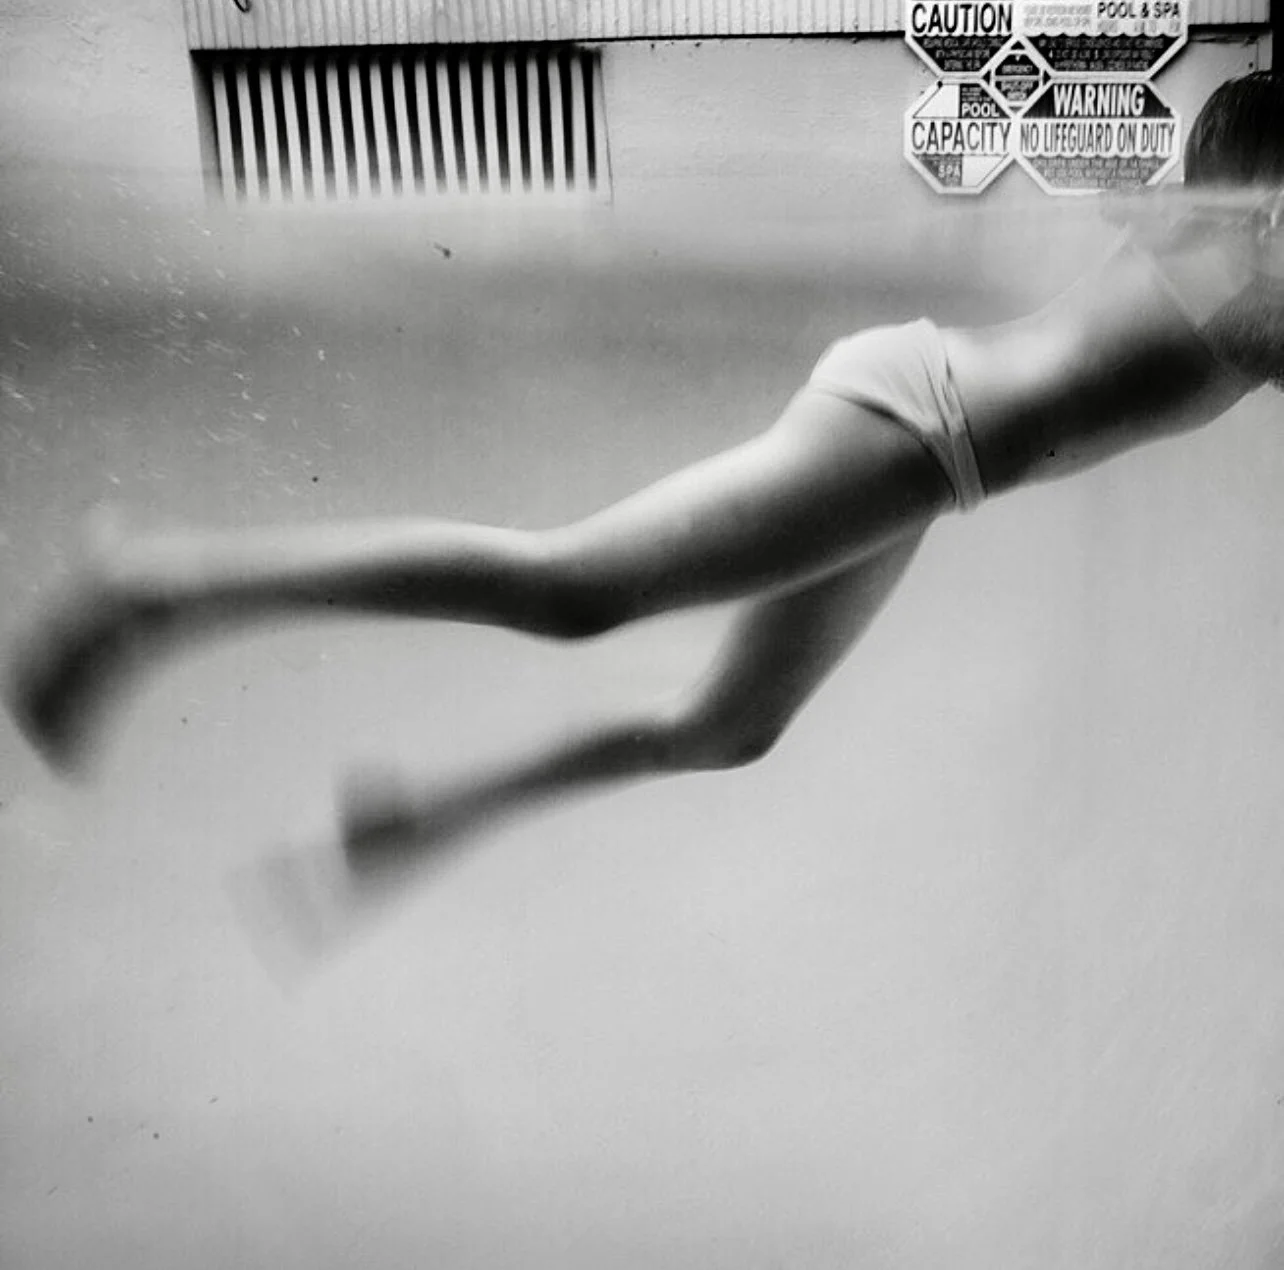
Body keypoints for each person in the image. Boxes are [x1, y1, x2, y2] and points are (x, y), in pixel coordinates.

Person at [6, 72, 1284, 897]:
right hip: (920, 421)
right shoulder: (1239, 268)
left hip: (928, 465)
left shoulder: (1232, 264)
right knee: (574, 587)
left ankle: (411, 823)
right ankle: (150, 588)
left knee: (727, 725)